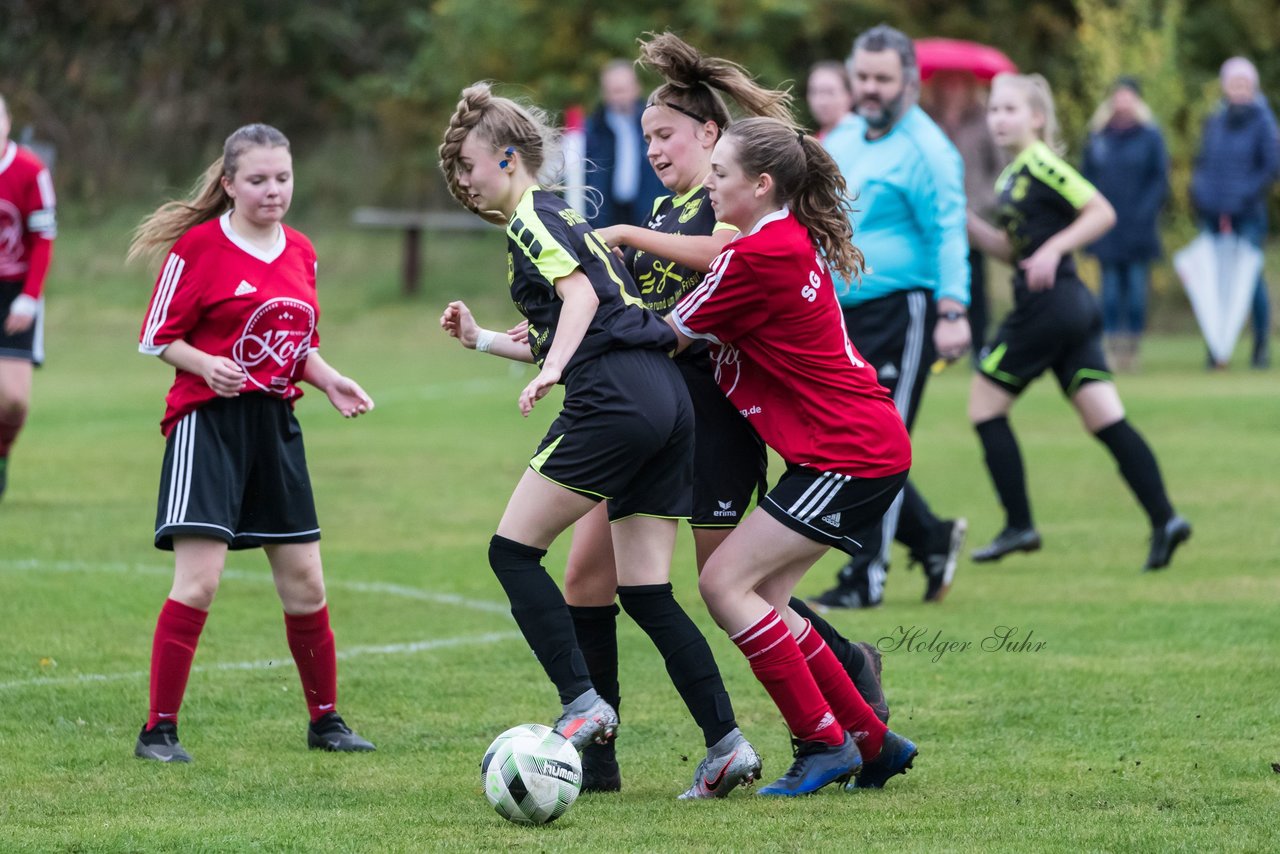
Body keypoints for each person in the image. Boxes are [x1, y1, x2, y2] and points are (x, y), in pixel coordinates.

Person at [560, 32, 890, 795]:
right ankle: (600, 752)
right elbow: (647, 306)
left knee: (731, 586)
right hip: (655, 414)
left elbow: (703, 282)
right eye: (645, 137)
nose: (654, 149)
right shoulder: (686, 203)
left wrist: (608, 255)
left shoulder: (734, 216)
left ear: (713, 139)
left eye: (665, 134)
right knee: (590, 573)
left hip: (717, 425)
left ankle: (836, 709)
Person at [437, 81, 762, 800]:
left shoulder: (533, 220)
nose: (462, 181)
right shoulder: (567, 219)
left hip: (614, 401)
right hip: (664, 398)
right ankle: (726, 744)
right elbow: (595, 319)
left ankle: (583, 705)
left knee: (510, 551)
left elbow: (582, 304)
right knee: (647, 591)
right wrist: (486, 340)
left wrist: (552, 372)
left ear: (509, 157)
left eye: (468, 164)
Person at [670, 116, 918, 795]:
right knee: (770, 595)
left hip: (850, 452)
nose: (710, 186)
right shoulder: (779, 239)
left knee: (722, 586)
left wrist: (566, 322)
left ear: (762, 183)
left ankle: (823, 741)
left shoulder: (758, 256)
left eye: (720, 174)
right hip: (853, 447)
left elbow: (669, 334)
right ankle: (874, 742)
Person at [128, 124, 377, 763]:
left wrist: (328, 380)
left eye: (283, 178)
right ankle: (158, 731)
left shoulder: (301, 250)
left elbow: (299, 345)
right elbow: (157, 335)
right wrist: (205, 364)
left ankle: (326, 721)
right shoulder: (198, 248)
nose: (273, 191)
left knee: (306, 584)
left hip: (275, 426)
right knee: (200, 582)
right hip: (207, 423)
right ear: (230, 183)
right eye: (259, 180)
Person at [966, 73, 1191, 571]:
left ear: (1037, 118)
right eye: (994, 110)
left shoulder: (1043, 163)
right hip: (1070, 308)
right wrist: (965, 221)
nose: (998, 118)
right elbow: (1013, 251)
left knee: (984, 405)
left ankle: (1018, 524)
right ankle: (1166, 518)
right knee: (1105, 418)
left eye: (1010, 109)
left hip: (1048, 308)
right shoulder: (1012, 176)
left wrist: (1053, 248)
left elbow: (1101, 211)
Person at [813, 25, 971, 610]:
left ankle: (865, 576)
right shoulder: (846, 133)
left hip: (901, 312)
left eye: (884, 78)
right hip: (836, 311)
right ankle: (930, 537)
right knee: (836, 437)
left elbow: (949, 231)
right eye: (864, 78)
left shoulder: (928, 150)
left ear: (910, 81)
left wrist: (954, 309)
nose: (872, 88)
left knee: (876, 442)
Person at [1190, 56, 1279, 370]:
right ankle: (1217, 348)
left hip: (1247, 211)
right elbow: (1204, 164)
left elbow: (1270, 166)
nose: (1238, 89)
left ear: (1252, 86)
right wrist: (1201, 195)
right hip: (1213, 213)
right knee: (1214, 283)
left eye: (1244, 83)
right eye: (1233, 83)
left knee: (1249, 279)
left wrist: (1241, 197)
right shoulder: (1216, 120)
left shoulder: (1264, 121)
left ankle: (1260, 346)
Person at [1082, 76, 1169, 372]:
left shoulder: (1150, 137)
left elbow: (1159, 179)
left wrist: (1144, 212)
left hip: (1139, 226)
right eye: (1118, 96)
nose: (1123, 102)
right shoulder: (1098, 136)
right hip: (1105, 226)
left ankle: (1131, 349)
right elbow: (1087, 179)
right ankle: (1109, 346)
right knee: (1108, 291)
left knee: (1134, 290)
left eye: (1128, 96)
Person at [922, 69, 1006, 361]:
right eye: (947, 82)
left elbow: (1000, 168)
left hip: (973, 214)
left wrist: (983, 201)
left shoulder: (983, 120)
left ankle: (979, 345)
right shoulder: (924, 118)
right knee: (932, 279)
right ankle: (934, 347)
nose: (953, 88)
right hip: (932, 214)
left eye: (959, 82)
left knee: (976, 281)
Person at [0, 94, 56, 502]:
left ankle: (1, 453)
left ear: (7, 121)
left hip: (15, 293)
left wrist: (29, 298)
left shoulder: (30, 171)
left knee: (14, 401)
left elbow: (43, 238)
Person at [584, 60, 667, 228]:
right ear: (605, 93)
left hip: (646, 210)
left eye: (624, 90)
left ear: (636, 88)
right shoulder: (593, 130)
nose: (620, 97)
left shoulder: (654, 123)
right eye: (614, 91)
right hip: (606, 211)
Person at [806, 61, 855, 141]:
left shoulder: (863, 134)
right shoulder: (816, 140)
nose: (822, 101)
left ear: (849, 96)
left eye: (830, 92)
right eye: (815, 92)